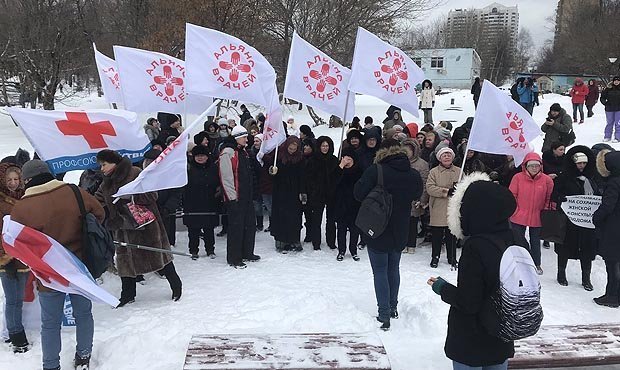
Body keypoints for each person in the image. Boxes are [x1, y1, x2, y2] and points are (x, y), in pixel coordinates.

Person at [11, 160, 105, 369]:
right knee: (83, 314)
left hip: (48, 274)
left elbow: (16, 242)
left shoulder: (23, 207)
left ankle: (51, 365)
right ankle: (84, 356)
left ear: (27, 181)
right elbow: (99, 213)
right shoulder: (75, 192)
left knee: (50, 324)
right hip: (79, 267)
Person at [428, 173, 517, 370]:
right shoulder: (514, 238)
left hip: (473, 339)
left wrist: (442, 288)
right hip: (502, 333)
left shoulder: (476, 247)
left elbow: (469, 303)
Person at [95, 150, 182, 306]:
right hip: (122, 228)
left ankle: (176, 284)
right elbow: (97, 200)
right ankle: (127, 295)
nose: (101, 169)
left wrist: (131, 196)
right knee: (125, 262)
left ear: (114, 162)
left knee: (159, 256)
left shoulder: (135, 173)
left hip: (146, 226)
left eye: (104, 165)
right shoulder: (106, 183)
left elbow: (152, 195)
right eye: (100, 165)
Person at [354, 139, 422, 330]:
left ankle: (384, 314)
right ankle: (393, 307)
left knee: (380, 271)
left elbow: (358, 193)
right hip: (401, 228)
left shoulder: (376, 170)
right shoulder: (413, 174)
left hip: (377, 227)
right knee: (394, 268)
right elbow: (417, 193)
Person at [552, 146, 599, 290]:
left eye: (584, 163)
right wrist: (562, 199)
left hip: (587, 221)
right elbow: (554, 195)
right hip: (568, 221)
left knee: (587, 249)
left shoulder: (593, 178)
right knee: (565, 247)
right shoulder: (564, 177)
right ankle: (561, 273)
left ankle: (586, 278)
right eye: (579, 163)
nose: (582, 166)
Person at [219, 126, 259, 268]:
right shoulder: (228, 152)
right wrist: (231, 198)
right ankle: (234, 257)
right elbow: (226, 178)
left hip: (246, 195)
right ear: (237, 138)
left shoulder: (243, 152)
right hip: (235, 197)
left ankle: (247, 252)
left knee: (249, 225)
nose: (246, 139)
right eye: (244, 137)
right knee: (236, 227)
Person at [508, 152, 554, 275]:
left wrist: (544, 211)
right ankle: (521, 261)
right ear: (525, 166)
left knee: (535, 241)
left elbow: (549, 197)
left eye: (537, 165)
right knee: (518, 240)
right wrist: (515, 210)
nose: (534, 168)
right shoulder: (517, 177)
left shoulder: (547, 180)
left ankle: (536, 263)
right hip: (518, 214)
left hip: (537, 215)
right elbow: (512, 195)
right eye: (531, 165)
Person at [0, 163, 29, 353]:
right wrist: (4, 256)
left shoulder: (27, 197)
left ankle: (15, 331)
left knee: (19, 298)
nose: (13, 183)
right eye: (9, 180)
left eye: (16, 179)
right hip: (6, 257)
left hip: (25, 255)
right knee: (12, 299)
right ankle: (16, 336)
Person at [593, 149, 620, 307]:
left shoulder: (614, 182)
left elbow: (608, 206)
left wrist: (595, 217)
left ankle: (611, 296)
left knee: (612, 263)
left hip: (614, 229)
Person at [183, 145, 219, 260]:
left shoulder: (213, 167)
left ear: (207, 157)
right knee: (193, 230)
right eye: (197, 156)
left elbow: (217, 182)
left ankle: (210, 249)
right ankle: (193, 250)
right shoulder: (188, 168)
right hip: (192, 203)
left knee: (209, 229)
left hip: (209, 202)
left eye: (202, 156)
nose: (200, 158)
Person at [426, 147, 460, 268]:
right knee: (437, 235)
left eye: (449, 154)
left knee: (452, 235)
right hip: (438, 207)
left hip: (453, 208)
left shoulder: (459, 171)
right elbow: (430, 188)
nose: (447, 157)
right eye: (444, 155)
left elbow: (465, 186)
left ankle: (452, 257)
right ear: (439, 158)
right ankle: (435, 257)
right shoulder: (434, 172)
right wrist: (446, 191)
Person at [270, 136, 305, 253]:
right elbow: (271, 174)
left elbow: (302, 176)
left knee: (294, 217)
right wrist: (273, 171)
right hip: (281, 192)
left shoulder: (300, 158)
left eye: (294, 148)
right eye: (290, 148)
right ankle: (281, 241)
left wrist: (302, 191)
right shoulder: (279, 157)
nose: (292, 150)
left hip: (294, 192)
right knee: (281, 216)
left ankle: (294, 240)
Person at [305, 136, 339, 250]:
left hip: (332, 194)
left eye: (327, 146)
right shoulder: (312, 160)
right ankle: (316, 242)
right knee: (316, 220)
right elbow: (309, 178)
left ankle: (331, 241)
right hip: (317, 194)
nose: (325, 148)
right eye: (323, 146)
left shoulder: (334, 160)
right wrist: (314, 190)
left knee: (331, 219)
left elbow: (337, 177)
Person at [333, 148, 363, 261]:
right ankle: (341, 250)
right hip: (341, 204)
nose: (347, 161)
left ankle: (353, 250)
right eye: (345, 158)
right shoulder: (338, 169)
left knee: (355, 230)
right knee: (341, 229)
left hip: (355, 204)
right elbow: (333, 182)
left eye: (349, 159)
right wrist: (340, 167)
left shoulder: (359, 170)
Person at [402, 138, 429, 253]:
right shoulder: (399, 162)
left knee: (413, 222)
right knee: (401, 222)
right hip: (401, 196)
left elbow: (425, 182)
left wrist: (422, 199)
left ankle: (411, 244)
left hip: (415, 196)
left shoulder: (422, 164)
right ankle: (402, 243)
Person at [600, 76, 620, 143]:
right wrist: (605, 103)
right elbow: (602, 97)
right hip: (609, 109)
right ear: (613, 81)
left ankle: (617, 137)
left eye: (618, 80)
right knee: (609, 123)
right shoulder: (608, 89)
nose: (616, 82)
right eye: (615, 80)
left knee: (618, 123)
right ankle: (607, 136)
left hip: (618, 109)